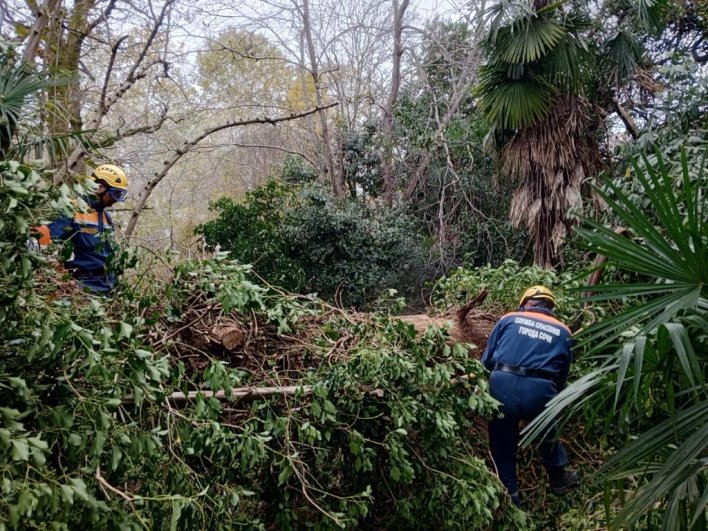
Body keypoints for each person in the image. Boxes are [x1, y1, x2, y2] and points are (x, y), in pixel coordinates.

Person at [481, 285, 580, 507]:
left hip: (502, 385)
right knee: (547, 432)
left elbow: (486, 361)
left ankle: (512, 494)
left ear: (526, 303)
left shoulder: (508, 319)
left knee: (502, 442)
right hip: (541, 389)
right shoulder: (564, 331)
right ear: (550, 306)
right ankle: (559, 479)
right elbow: (561, 377)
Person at [34, 164, 129, 293]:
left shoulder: (106, 217)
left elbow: (109, 254)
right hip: (82, 285)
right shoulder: (73, 209)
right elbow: (46, 241)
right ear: (100, 187)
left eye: (120, 194)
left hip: (107, 285)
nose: (116, 200)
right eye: (115, 193)